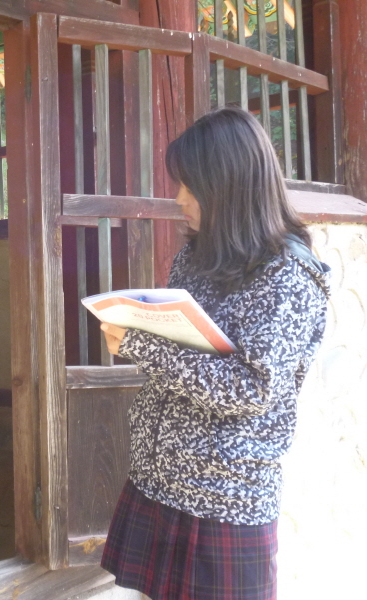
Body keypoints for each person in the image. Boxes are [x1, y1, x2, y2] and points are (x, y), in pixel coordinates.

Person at [98, 106, 330, 600]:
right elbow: (186, 350)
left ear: (231, 186)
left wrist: (142, 344)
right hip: (158, 479)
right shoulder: (195, 257)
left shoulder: (287, 277)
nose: (179, 198)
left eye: (191, 185)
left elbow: (250, 389)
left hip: (225, 499)